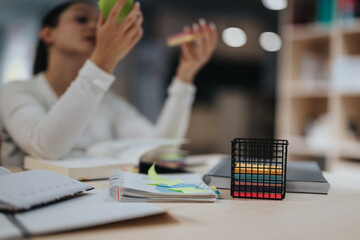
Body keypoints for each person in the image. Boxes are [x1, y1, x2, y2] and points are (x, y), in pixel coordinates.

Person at [0, 0, 218, 167]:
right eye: (82, 19)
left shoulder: (106, 102)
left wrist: (184, 78)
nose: (95, 27)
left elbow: (161, 149)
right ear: (47, 34)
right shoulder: (15, 92)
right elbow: (46, 147)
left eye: (99, 20)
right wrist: (103, 62)